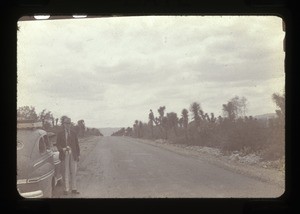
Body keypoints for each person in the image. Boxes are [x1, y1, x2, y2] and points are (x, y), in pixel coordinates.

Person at [56, 117, 80, 195]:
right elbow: (58, 145)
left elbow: (77, 145)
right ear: (64, 124)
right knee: (65, 172)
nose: (68, 125)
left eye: (69, 123)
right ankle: (66, 189)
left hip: (73, 155)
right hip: (64, 154)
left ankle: (74, 189)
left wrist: (78, 155)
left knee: (73, 171)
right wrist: (62, 149)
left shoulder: (74, 133)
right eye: (66, 123)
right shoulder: (60, 134)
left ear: (70, 124)